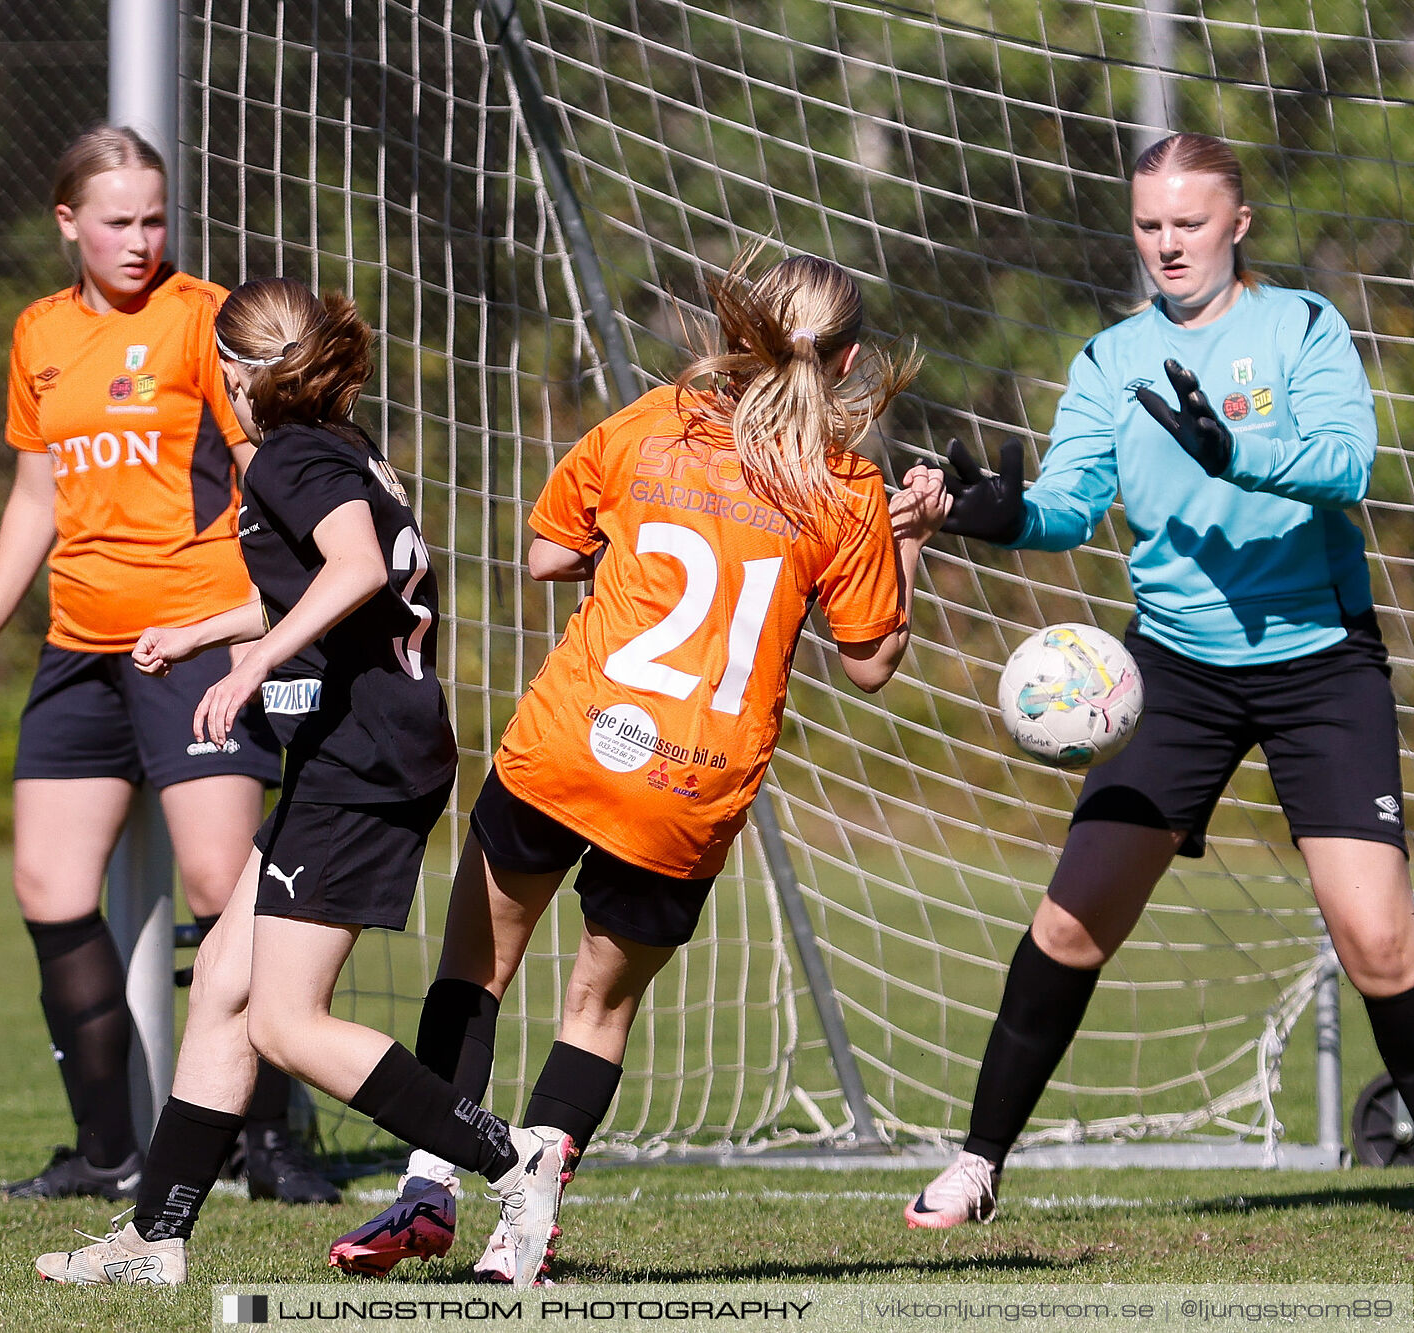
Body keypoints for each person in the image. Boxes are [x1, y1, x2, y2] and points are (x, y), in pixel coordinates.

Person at [901, 132, 1414, 1233]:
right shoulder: (1109, 359)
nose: (1168, 243)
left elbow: (1349, 461)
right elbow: (1071, 505)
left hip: (1320, 665)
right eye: (1149, 224)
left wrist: (1235, 449)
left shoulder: (1300, 329)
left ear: (1239, 225)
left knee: (1377, 937)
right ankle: (977, 1163)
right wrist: (997, 515)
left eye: (1190, 222)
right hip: (1173, 672)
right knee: (1072, 925)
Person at [324, 248, 949, 1283]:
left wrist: (646, 545)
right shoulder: (851, 490)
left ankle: (427, 1189)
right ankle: (518, 1241)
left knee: (473, 973)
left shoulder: (651, 422)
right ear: (844, 366)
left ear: (738, 332)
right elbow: (873, 661)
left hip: (569, 745)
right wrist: (911, 536)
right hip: (690, 785)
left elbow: (545, 555)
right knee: (596, 1011)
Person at [31, 278, 573, 1287]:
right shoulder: (340, 447)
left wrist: (247, 665)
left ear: (236, 373)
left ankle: (514, 1157)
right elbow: (316, 577)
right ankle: (154, 1240)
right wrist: (206, 630)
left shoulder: (287, 456)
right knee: (225, 989)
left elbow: (356, 567)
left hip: (361, 763)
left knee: (283, 1018)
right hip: (360, 752)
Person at [0, 125, 334, 1205]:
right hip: (78, 647)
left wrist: (267, 616)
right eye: (117, 220)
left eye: (154, 217)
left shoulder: (201, 319)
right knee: (50, 889)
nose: (140, 239)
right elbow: (38, 496)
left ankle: (269, 1137)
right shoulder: (39, 334)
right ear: (67, 222)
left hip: (192, 644)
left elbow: (270, 470)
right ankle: (106, 1149)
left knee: (223, 885)